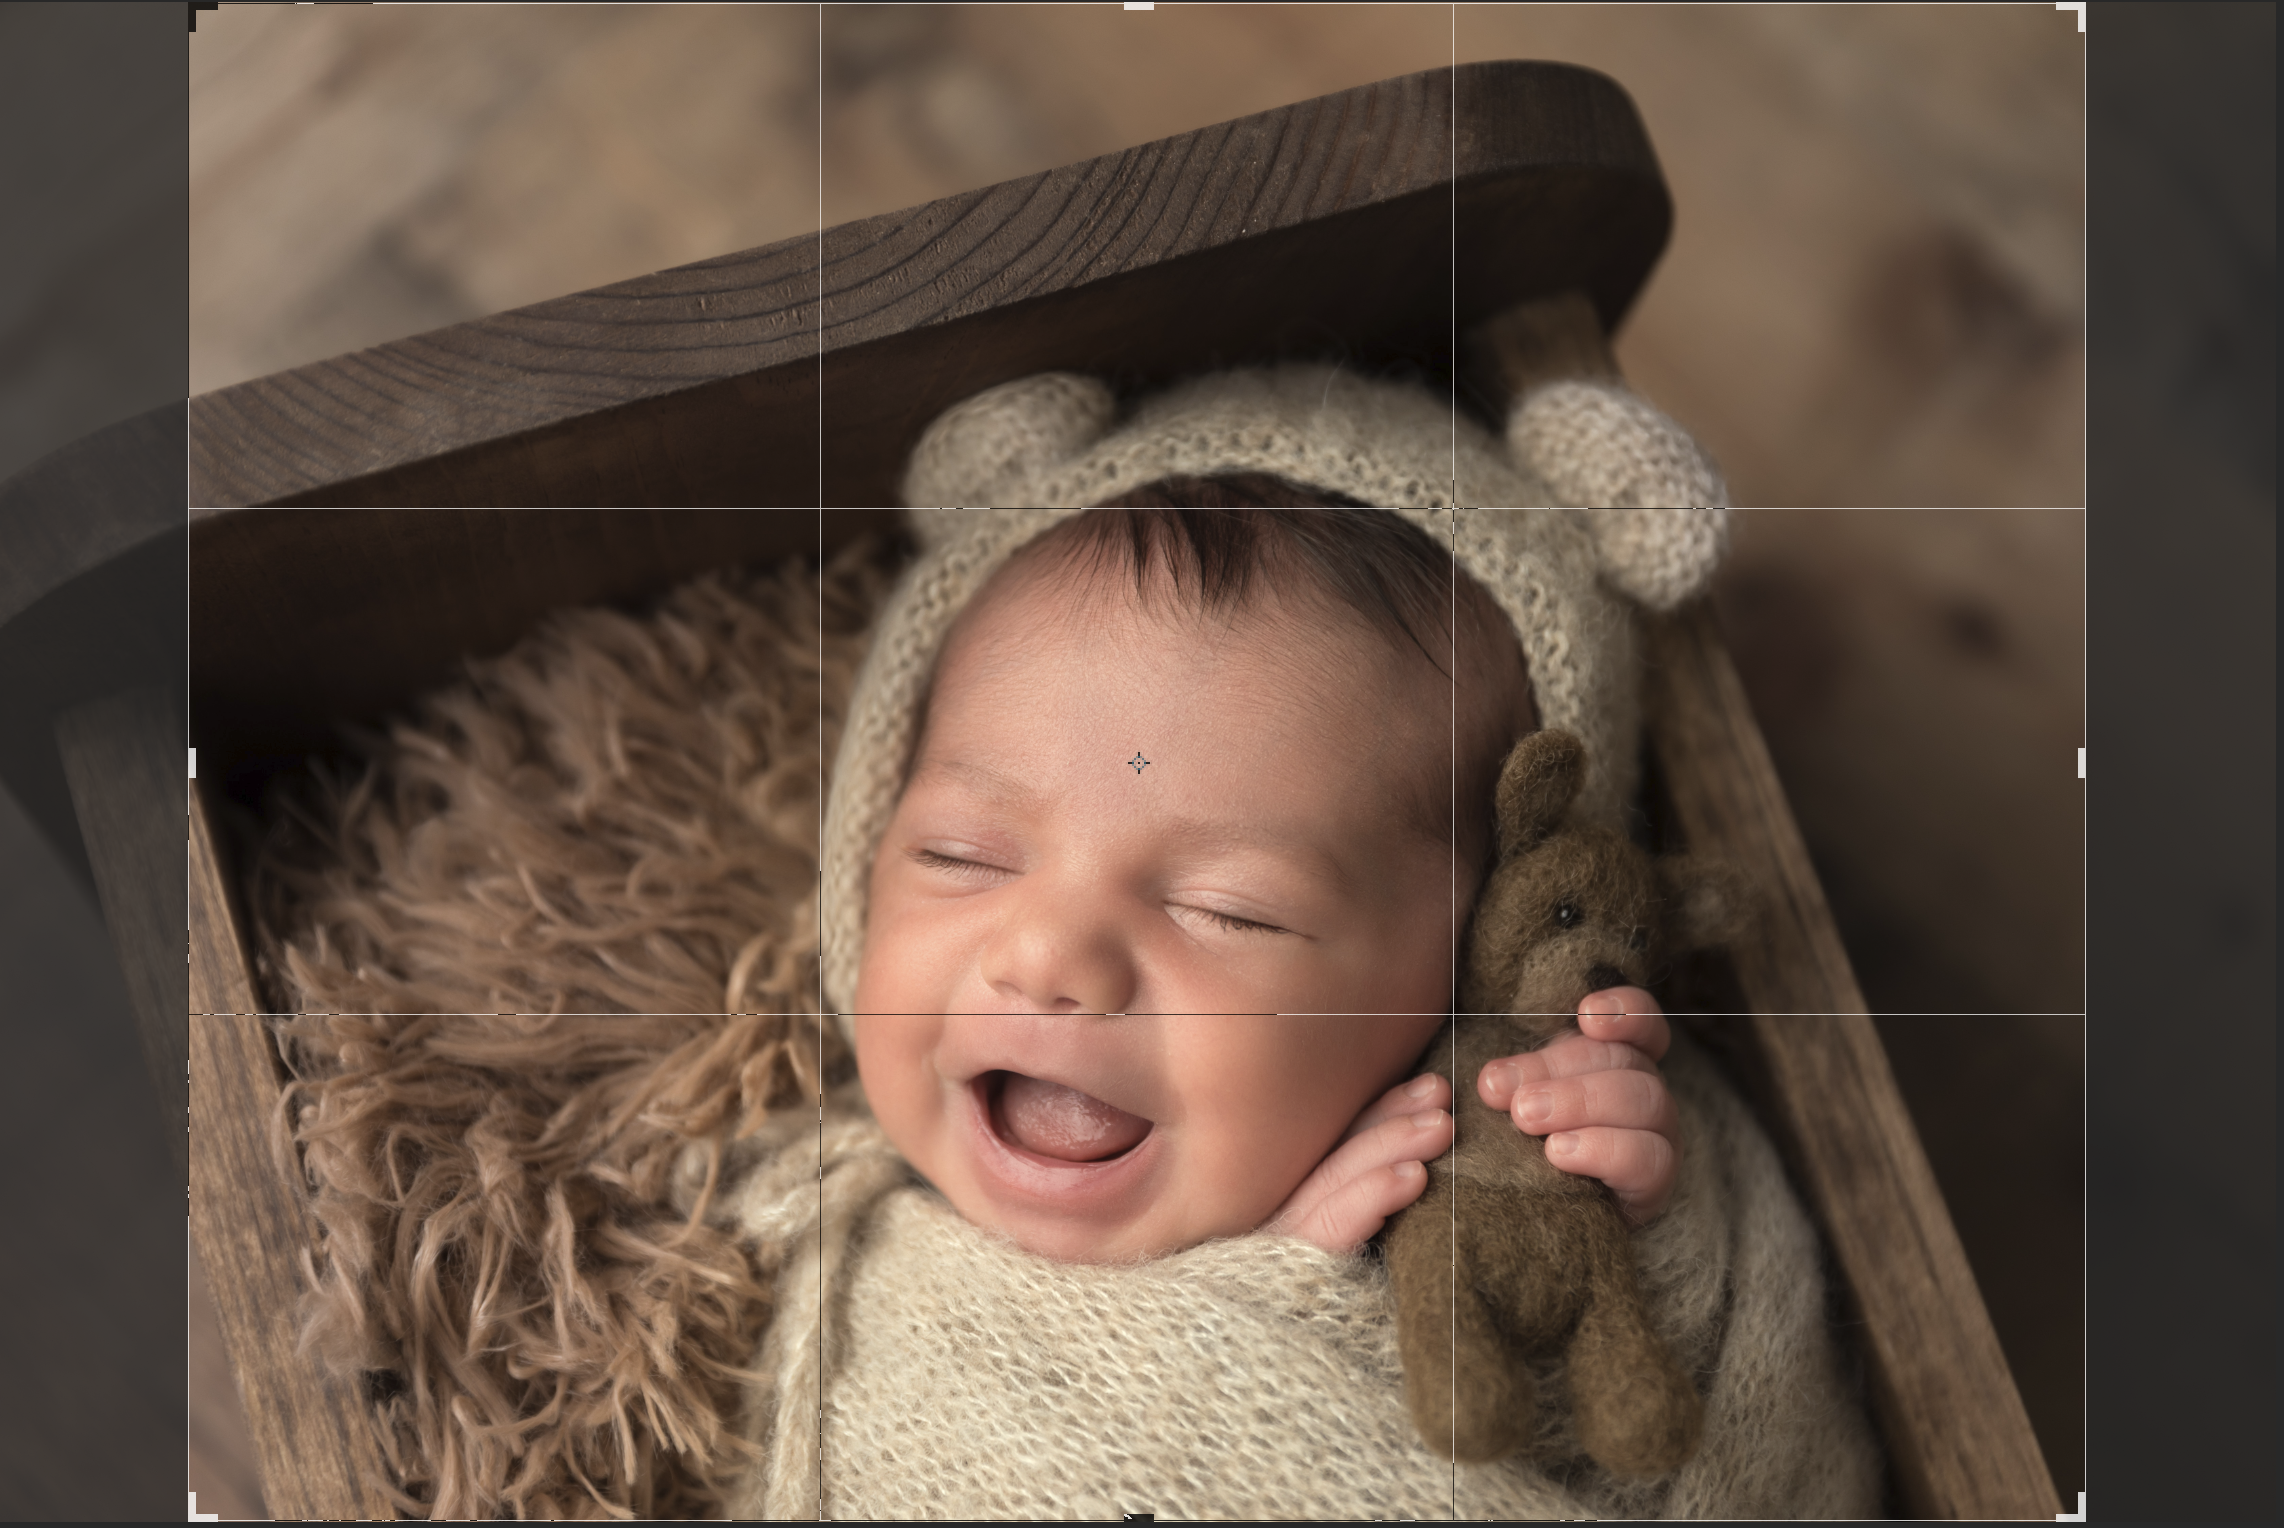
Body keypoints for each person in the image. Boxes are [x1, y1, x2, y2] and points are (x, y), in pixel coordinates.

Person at [692, 475, 1883, 1518]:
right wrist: (1246, 1300)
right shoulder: (787, 1236)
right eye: (963, 854)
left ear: (1462, 970)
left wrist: (1617, 1223)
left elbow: (1735, 1442)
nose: (1050, 954)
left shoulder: (1510, 1144)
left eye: (1227, 909)